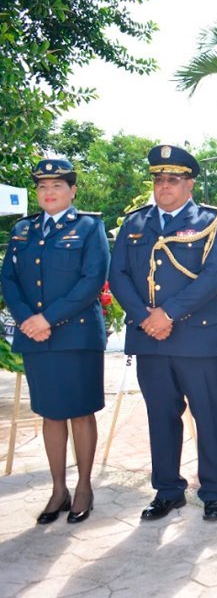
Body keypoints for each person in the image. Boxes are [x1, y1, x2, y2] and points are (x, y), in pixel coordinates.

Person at [109, 145, 217, 523]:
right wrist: (145, 317)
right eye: (158, 179)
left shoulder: (212, 221)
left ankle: (214, 492)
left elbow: (215, 275)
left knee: (209, 415)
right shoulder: (134, 224)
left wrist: (168, 314)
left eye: (173, 179)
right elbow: (118, 276)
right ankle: (167, 490)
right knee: (161, 416)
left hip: (198, 338)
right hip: (151, 338)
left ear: (190, 183)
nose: (164, 186)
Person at [1, 159, 109, 525]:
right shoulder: (23, 230)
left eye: (57, 186)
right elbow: (9, 280)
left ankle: (84, 487)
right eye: (43, 186)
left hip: (76, 336)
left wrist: (47, 318)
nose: (49, 192)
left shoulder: (89, 228)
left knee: (80, 411)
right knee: (49, 413)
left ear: (72, 190)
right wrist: (27, 320)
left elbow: (92, 280)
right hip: (36, 337)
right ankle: (58, 488)